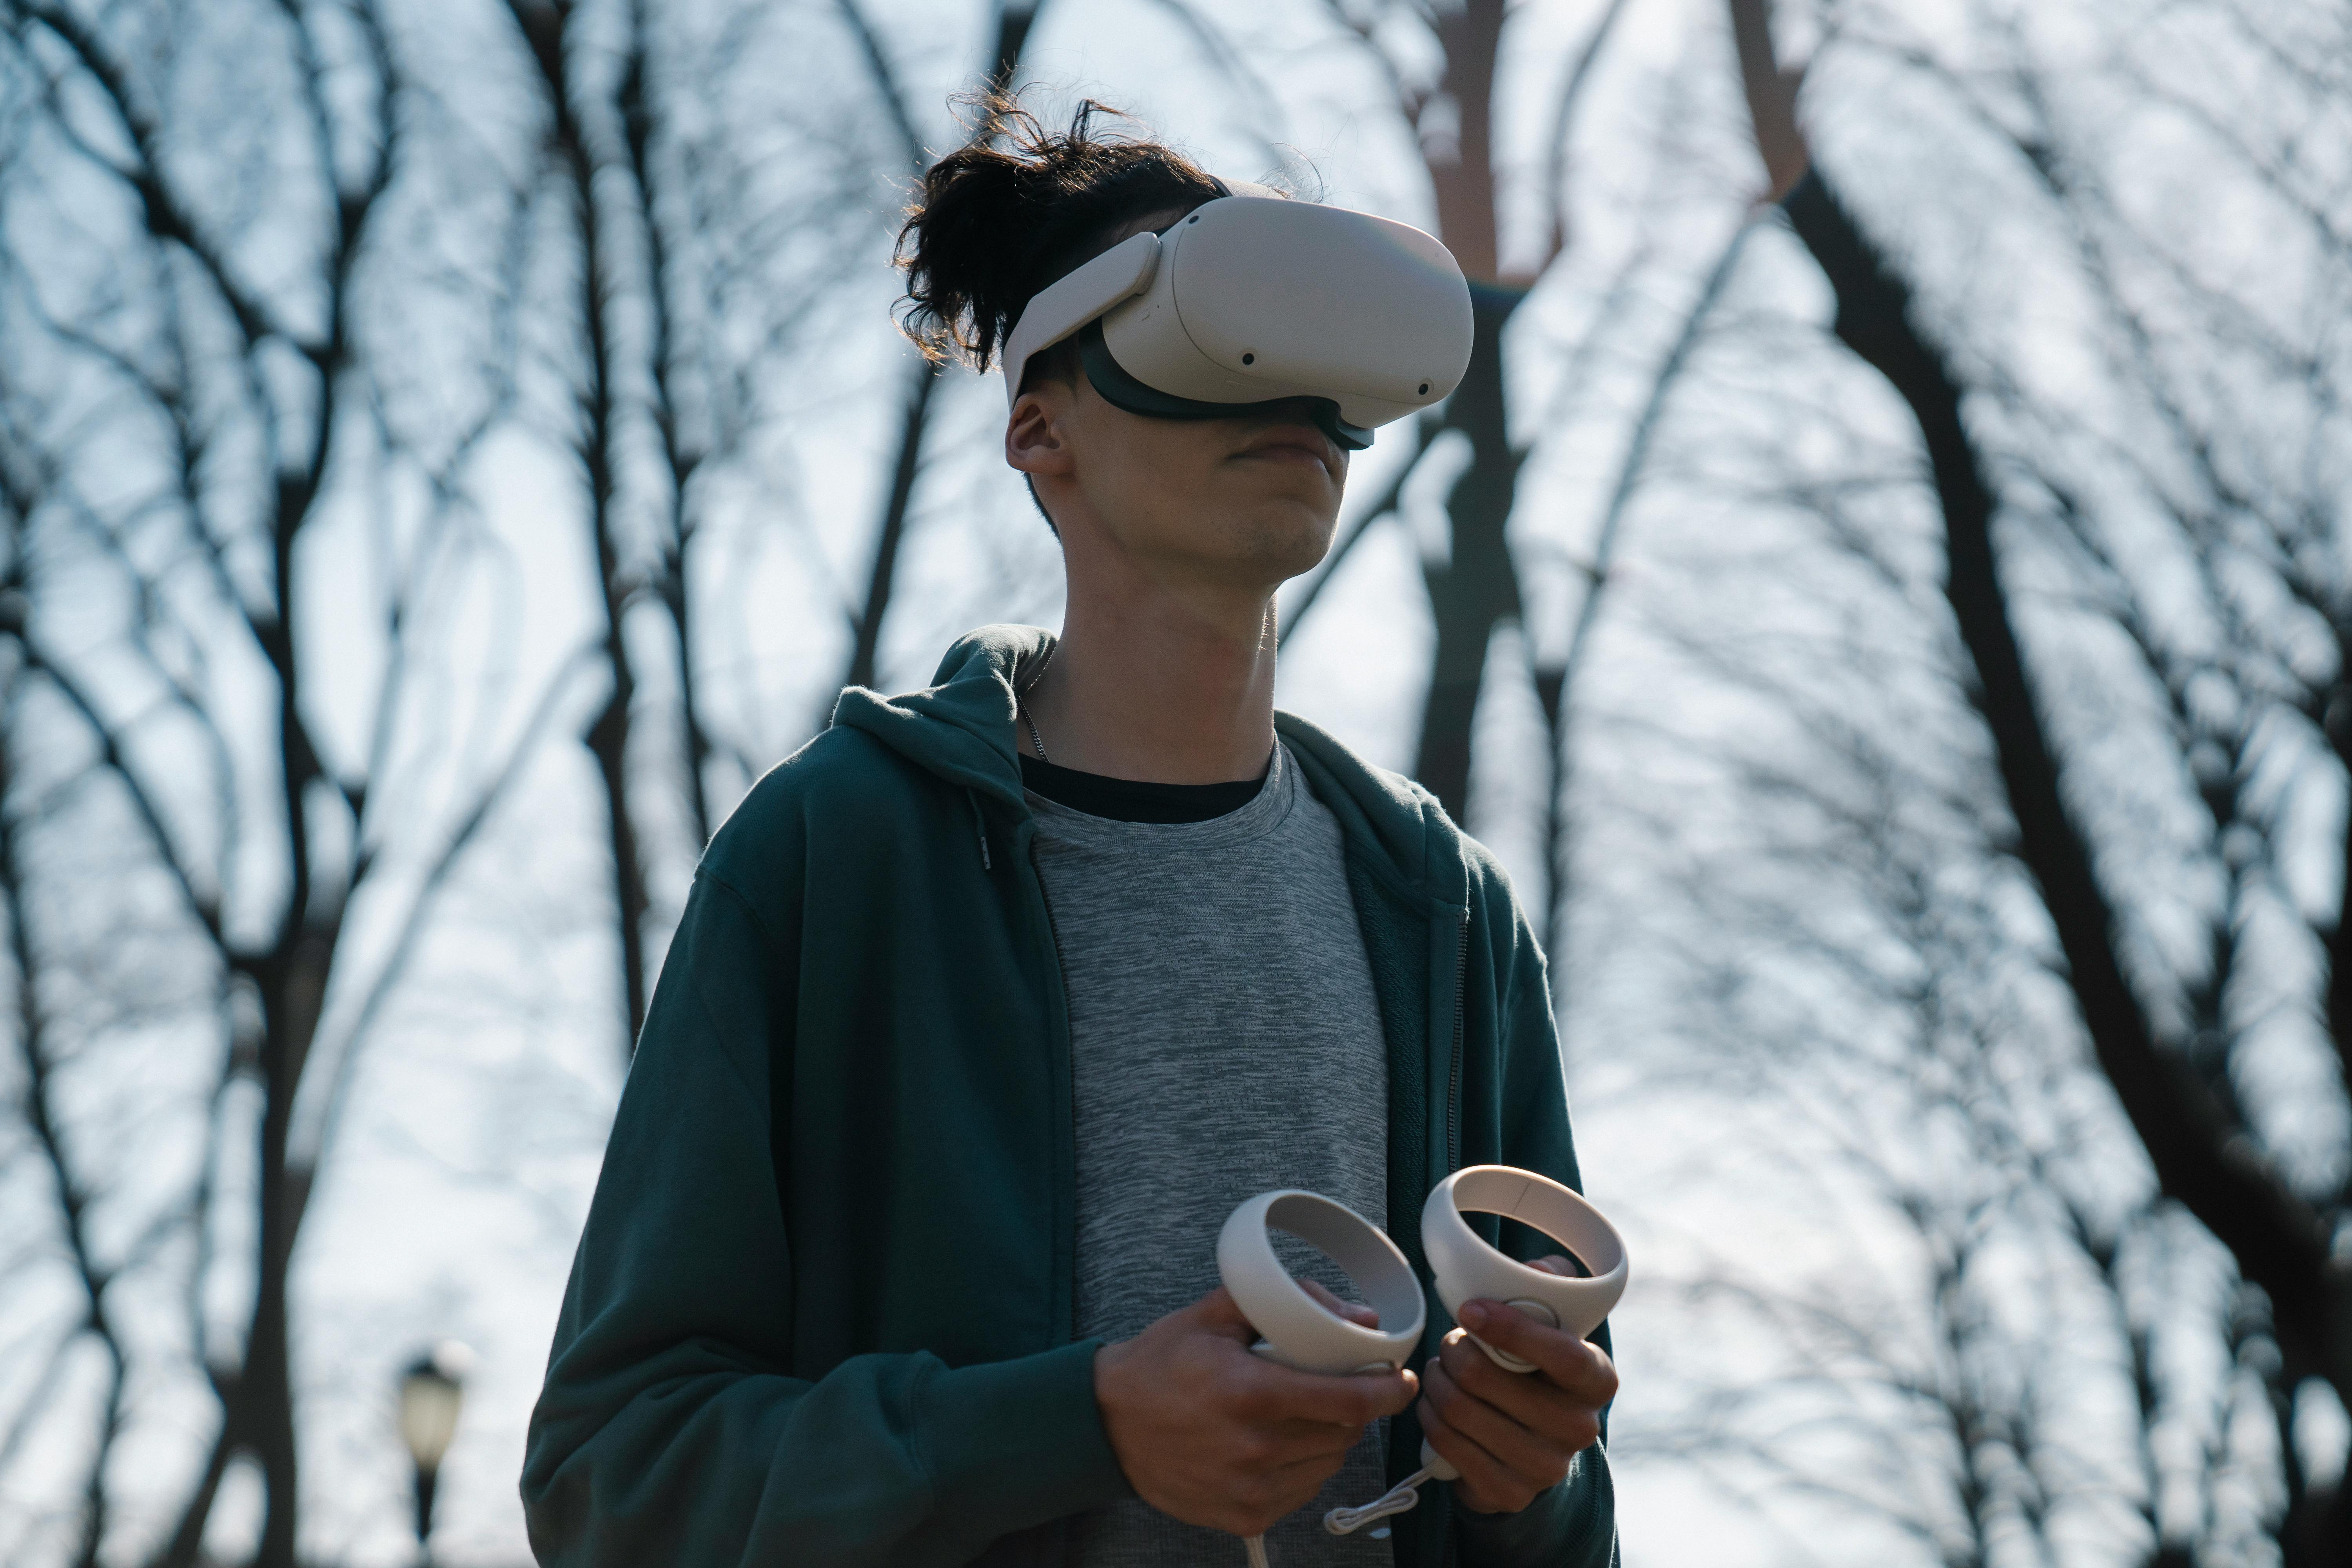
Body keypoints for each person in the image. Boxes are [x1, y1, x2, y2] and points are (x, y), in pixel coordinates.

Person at [520, 94, 1620, 1568]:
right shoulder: (836, 856)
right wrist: (1079, 1426)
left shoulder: (1444, 910)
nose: (1283, 386)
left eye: (1312, 342)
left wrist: (1525, 1481)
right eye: (1214, 326)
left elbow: (1557, 1516)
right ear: (1041, 428)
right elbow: (618, 1481)